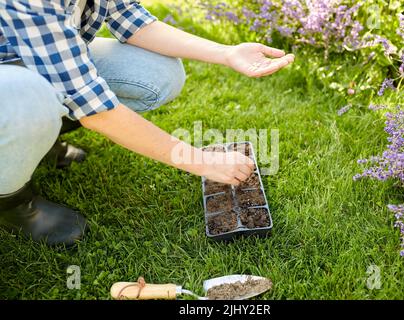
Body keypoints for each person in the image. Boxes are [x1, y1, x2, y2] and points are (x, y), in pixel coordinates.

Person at [0, 0, 294, 246]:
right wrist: (200, 161)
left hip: (41, 58)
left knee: (157, 73)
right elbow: (92, 106)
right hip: (9, 80)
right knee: (30, 98)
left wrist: (226, 53)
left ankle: (41, 139)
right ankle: (12, 199)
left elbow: (128, 17)